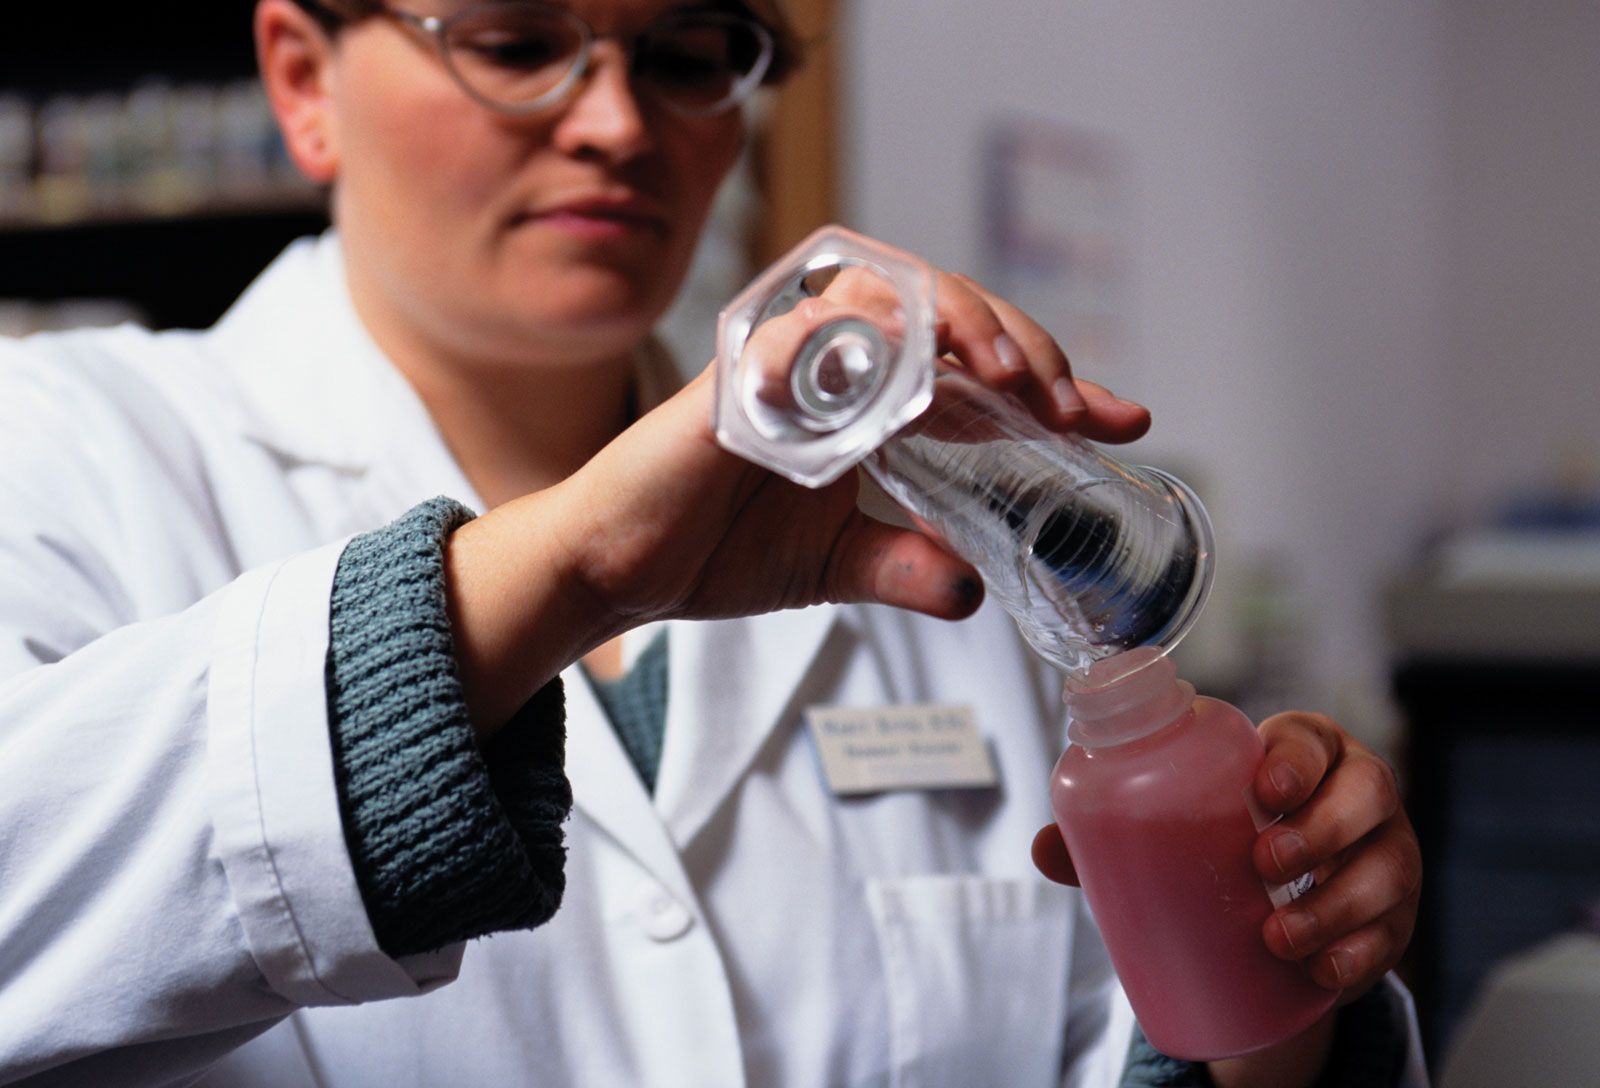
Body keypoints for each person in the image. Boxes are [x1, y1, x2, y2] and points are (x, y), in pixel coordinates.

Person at [0, 1, 1427, 1085]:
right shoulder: (65, 452)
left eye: (687, 55)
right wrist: (569, 573)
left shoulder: (900, 518)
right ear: (305, 82)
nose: (617, 124)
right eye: (516, 42)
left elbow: (1091, 1037)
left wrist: (1266, 1002)